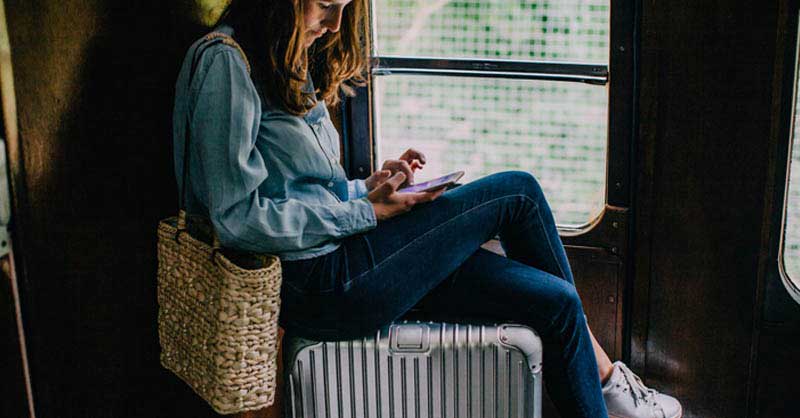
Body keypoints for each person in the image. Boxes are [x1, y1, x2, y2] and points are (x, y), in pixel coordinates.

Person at [172, 1, 683, 417]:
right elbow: (237, 216)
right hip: (319, 284)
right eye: (325, 7)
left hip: (344, 253)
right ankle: (611, 381)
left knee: (557, 304)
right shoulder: (226, 61)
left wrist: (369, 188)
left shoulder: (283, 58)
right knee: (519, 193)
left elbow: (300, 191)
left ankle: (612, 391)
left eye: (343, 9)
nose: (332, 27)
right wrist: (367, 214)